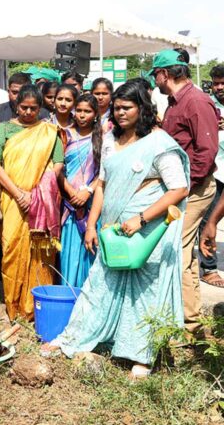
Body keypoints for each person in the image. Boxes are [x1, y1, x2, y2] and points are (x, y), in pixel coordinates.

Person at [42, 82, 189, 380]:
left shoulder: (159, 143)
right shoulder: (110, 139)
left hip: (147, 231)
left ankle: (142, 355)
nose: (120, 113)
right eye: (117, 108)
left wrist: (142, 219)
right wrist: (92, 225)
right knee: (99, 284)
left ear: (143, 108)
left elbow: (179, 188)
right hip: (112, 229)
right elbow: (103, 185)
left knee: (143, 291)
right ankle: (75, 337)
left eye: (127, 107)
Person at [151, 49, 219, 334]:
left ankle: (183, 323)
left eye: (156, 74)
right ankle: (191, 321)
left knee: (175, 251)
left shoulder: (195, 101)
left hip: (194, 188)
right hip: (183, 187)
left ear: (165, 74)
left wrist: (182, 189)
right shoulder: (175, 102)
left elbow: (206, 152)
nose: (155, 80)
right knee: (184, 255)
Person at [0, 84, 64, 321]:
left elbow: (57, 164)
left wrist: (36, 192)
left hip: (40, 201)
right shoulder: (5, 129)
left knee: (40, 250)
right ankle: (13, 305)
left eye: (33, 108)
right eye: (24, 107)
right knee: (10, 248)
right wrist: (19, 193)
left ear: (40, 108)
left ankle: (34, 306)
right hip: (12, 200)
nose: (29, 112)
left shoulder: (50, 131)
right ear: (16, 105)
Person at [57, 94, 102, 288]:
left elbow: (105, 172)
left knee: (90, 244)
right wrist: (71, 192)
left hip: (92, 201)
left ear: (95, 114)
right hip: (68, 203)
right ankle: (69, 290)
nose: (82, 115)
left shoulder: (103, 138)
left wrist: (88, 192)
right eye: (79, 110)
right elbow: (56, 168)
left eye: (88, 111)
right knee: (69, 246)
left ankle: (89, 294)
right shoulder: (63, 135)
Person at [196, 65, 224, 288]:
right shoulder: (207, 104)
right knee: (209, 220)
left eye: (223, 83)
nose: (219, 87)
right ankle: (209, 267)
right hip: (215, 171)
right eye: (216, 83)